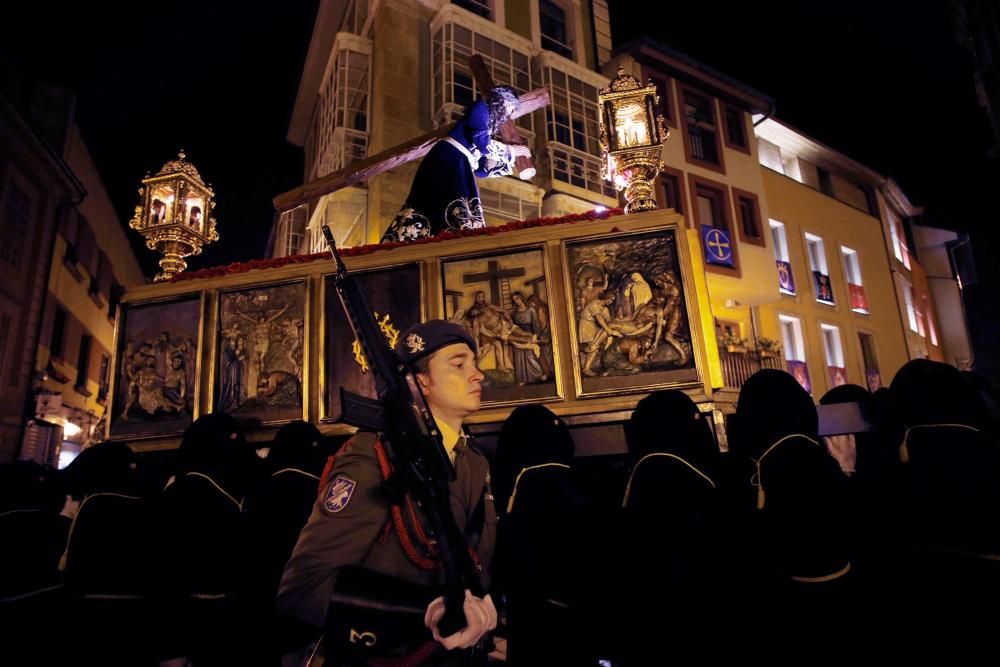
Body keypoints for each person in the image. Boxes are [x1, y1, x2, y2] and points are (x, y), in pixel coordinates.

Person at [278, 320, 498, 665]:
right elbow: (304, 588)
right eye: (458, 364)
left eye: (474, 363)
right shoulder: (374, 456)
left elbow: (474, 567)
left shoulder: (474, 463)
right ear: (419, 381)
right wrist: (427, 613)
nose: (478, 375)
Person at [380, 86, 532, 243]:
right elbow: (482, 143)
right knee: (441, 202)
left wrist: (509, 158)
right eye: (509, 107)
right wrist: (512, 151)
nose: (508, 113)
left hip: (461, 164)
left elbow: (481, 169)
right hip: (449, 158)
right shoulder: (482, 108)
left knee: (458, 208)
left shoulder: (487, 124)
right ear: (501, 100)